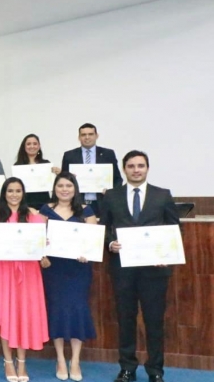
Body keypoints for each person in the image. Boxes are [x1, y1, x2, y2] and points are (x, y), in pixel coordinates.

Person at [99, 150, 179, 382]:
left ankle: (155, 371)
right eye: (131, 166)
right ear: (124, 169)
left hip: (155, 270)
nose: (136, 170)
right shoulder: (111, 196)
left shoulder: (162, 195)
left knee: (154, 321)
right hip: (123, 269)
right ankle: (127, 369)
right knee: (125, 319)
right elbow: (104, 229)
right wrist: (111, 243)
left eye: (140, 166)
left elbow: (175, 230)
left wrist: (167, 253)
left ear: (147, 168)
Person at [0, 177, 49, 382]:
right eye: (10, 191)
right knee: (5, 313)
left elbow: (41, 247)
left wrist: (44, 254)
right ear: (4, 193)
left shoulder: (34, 217)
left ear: (23, 193)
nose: (14, 195)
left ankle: (22, 362)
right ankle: (8, 361)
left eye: (18, 191)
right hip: (2, 271)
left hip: (28, 272)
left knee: (23, 314)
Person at [39, 173, 97, 381]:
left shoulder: (86, 211)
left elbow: (92, 241)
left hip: (78, 269)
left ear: (75, 188)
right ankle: (61, 359)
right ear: (54, 188)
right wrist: (41, 255)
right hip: (54, 269)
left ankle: (75, 360)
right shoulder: (45, 210)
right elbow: (37, 240)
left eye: (69, 185)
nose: (64, 189)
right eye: (60, 185)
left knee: (78, 309)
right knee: (57, 310)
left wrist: (87, 253)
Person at [61, 123, 123, 216]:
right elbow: (63, 180)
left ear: (96, 136)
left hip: (102, 202)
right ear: (79, 137)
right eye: (83, 135)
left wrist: (111, 193)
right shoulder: (69, 155)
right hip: (77, 203)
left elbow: (118, 179)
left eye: (90, 134)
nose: (87, 137)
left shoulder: (108, 154)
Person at [13, 134, 60, 210]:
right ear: (24, 147)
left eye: (35, 144)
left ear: (39, 146)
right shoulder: (17, 166)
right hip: (24, 203)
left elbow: (54, 184)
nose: (32, 146)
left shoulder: (46, 164)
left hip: (43, 202)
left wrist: (58, 174)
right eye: (28, 144)